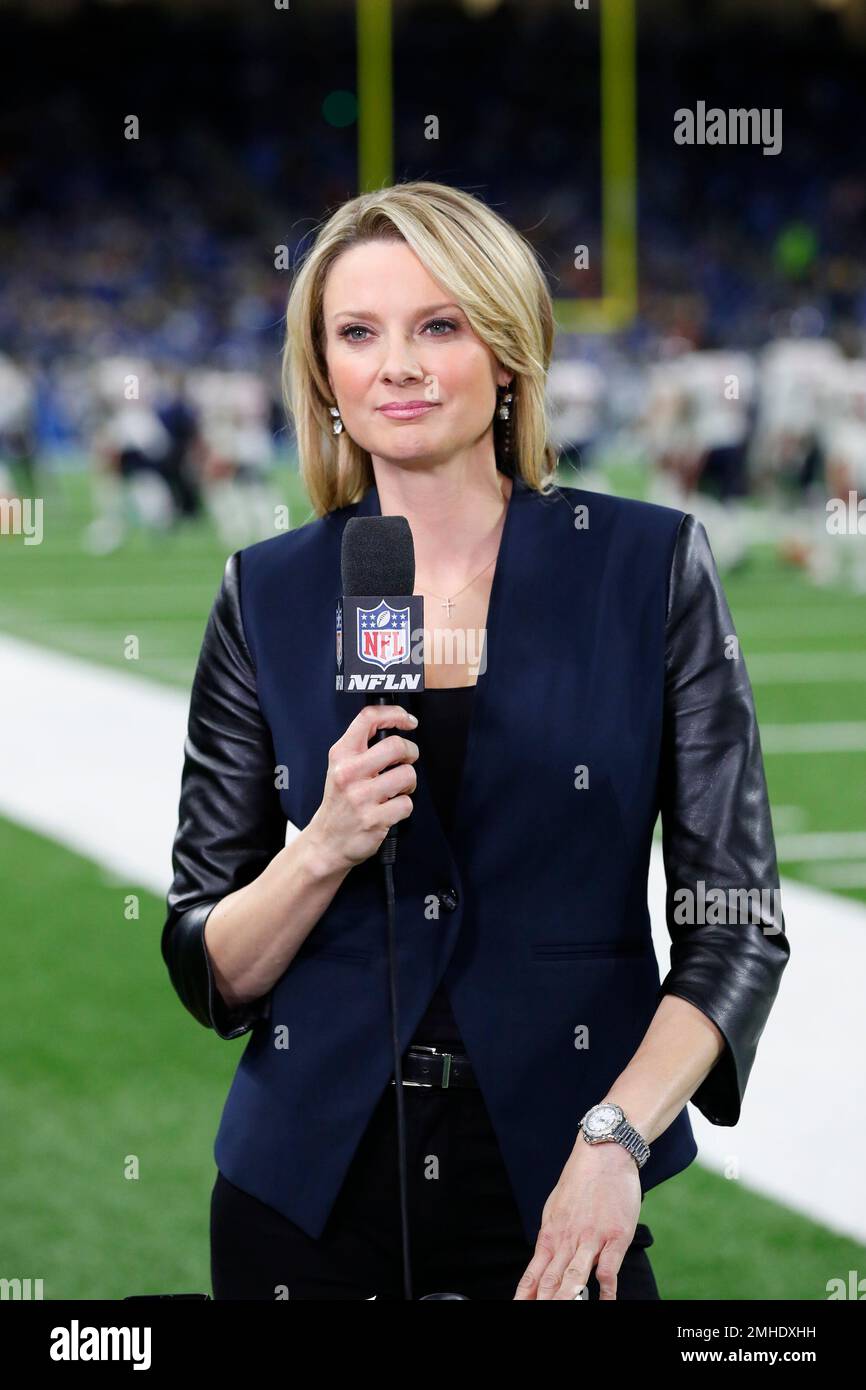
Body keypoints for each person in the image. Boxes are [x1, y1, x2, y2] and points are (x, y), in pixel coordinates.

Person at [161, 180, 790, 1301]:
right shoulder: (265, 591)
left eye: (436, 325)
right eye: (357, 333)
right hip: (296, 1200)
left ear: (506, 353)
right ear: (323, 374)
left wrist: (614, 1139)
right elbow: (210, 965)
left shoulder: (644, 566)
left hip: (563, 1192)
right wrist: (321, 846)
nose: (395, 365)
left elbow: (732, 930)